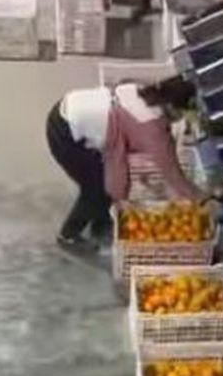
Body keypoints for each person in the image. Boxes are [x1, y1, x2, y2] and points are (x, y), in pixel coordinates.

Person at [46, 76, 204, 254]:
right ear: (172, 107)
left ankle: (100, 221)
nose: (180, 119)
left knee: (103, 179)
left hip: (68, 107)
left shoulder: (145, 91)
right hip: (64, 131)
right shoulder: (151, 127)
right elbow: (172, 173)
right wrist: (200, 199)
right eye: (182, 114)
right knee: (95, 189)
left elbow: (123, 85)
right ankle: (68, 236)